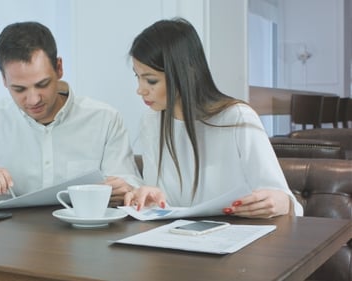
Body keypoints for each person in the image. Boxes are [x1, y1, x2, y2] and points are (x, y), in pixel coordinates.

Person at [0, 21, 141, 204]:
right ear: (4, 80)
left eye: (42, 84)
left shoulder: (104, 119)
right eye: (19, 89)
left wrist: (125, 189)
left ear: (59, 68)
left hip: (85, 245)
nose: (33, 100)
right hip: (8, 246)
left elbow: (132, 185)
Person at [123, 18, 303, 218]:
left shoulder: (237, 118)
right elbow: (161, 199)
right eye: (137, 77)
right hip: (174, 238)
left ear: (186, 72)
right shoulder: (151, 121)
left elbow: (284, 201)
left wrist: (281, 202)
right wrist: (150, 195)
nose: (140, 90)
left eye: (151, 80)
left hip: (238, 237)